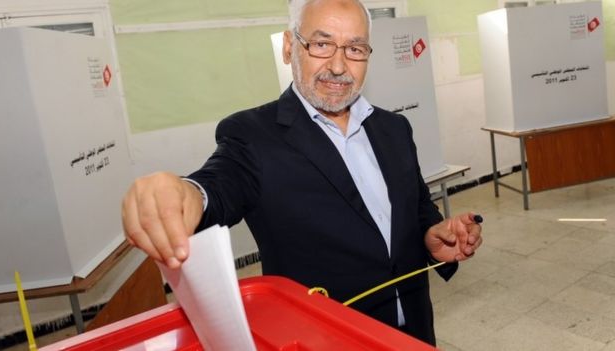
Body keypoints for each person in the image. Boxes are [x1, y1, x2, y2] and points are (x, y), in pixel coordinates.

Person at [122, 0, 482, 345]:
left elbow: (416, 208)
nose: (339, 66)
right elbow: (218, 185)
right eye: (322, 44)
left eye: (355, 49)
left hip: (414, 332)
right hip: (323, 339)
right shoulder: (252, 136)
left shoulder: (394, 128)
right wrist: (185, 194)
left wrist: (432, 237)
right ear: (289, 47)